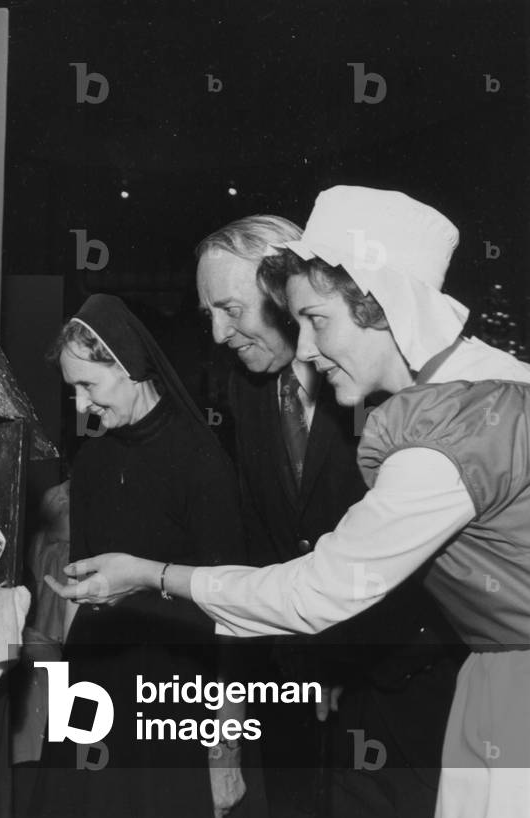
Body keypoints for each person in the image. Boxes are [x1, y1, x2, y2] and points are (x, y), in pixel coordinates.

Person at [47, 186, 530, 818]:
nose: (220, 334)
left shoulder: (438, 418)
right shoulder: (470, 386)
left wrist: (153, 576)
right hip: (326, 674)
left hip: (422, 681)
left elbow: (327, 584)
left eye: (315, 320)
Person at [197, 215, 460, 817]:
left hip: (400, 686)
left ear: (280, 291)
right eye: (207, 313)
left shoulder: (390, 378)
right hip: (293, 687)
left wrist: (347, 650)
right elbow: (262, 538)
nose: (217, 333)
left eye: (229, 309)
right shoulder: (247, 389)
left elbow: (426, 551)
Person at [29, 294, 263, 818]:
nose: (80, 407)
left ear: (130, 367)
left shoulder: (201, 462)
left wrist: (225, 753)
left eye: (88, 385)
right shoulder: (91, 462)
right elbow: (78, 593)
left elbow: (235, 618)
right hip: (94, 689)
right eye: (73, 390)